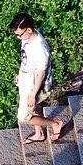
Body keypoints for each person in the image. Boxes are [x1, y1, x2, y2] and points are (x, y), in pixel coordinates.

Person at [8, 12, 62, 144]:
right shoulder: (28, 38)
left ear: (29, 30)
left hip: (34, 84)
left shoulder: (40, 48)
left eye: (19, 34)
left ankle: (54, 124)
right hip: (26, 79)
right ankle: (39, 133)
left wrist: (33, 93)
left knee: (24, 116)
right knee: (33, 107)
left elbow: (41, 73)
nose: (18, 37)